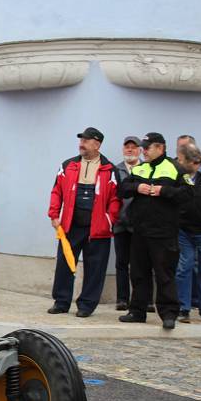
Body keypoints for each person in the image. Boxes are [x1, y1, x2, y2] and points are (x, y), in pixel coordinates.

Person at [119, 132, 191, 329]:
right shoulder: (140, 168)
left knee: (164, 274)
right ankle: (137, 311)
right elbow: (123, 188)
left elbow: (188, 194)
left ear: (160, 148)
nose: (143, 151)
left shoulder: (176, 168)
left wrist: (163, 191)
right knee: (139, 273)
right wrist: (137, 187)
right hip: (140, 230)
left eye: (147, 147)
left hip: (164, 232)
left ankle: (168, 314)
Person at [47, 127, 120, 318]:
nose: (81, 144)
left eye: (86, 141)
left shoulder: (109, 169)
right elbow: (57, 191)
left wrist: (109, 221)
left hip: (98, 227)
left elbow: (115, 199)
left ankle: (86, 305)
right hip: (71, 225)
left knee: (95, 267)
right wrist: (54, 215)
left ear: (97, 144)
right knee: (65, 264)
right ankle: (61, 302)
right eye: (81, 140)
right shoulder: (68, 165)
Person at [175, 143, 201, 323]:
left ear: (192, 161)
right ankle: (183, 308)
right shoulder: (182, 174)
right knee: (184, 268)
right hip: (184, 230)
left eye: (181, 159)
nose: (178, 162)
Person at [112, 136, 143, 311]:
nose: (130, 150)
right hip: (121, 224)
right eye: (127, 147)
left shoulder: (146, 169)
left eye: (133, 147)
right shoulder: (117, 170)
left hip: (140, 225)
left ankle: (144, 299)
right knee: (121, 263)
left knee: (141, 264)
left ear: (140, 150)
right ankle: (122, 299)